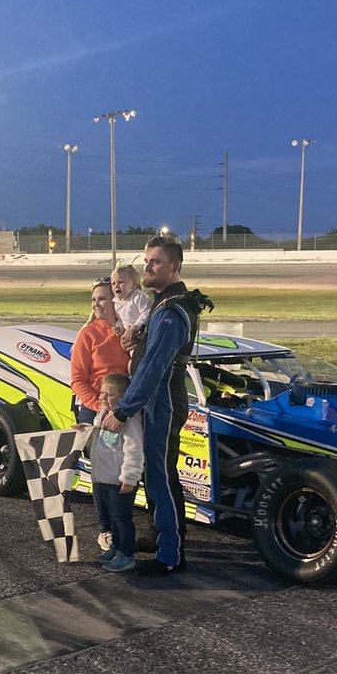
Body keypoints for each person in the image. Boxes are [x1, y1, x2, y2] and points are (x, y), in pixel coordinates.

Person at [102, 236, 211, 577]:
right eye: (147, 261)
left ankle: (170, 554)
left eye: (156, 262)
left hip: (161, 401)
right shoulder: (163, 304)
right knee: (154, 474)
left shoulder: (172, 309)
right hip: (156, 399)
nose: (148, 267)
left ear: (175, 266)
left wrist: (123, 409)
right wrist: (135, 339)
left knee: (161, 476)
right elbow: (150, 354)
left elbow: (155, 368)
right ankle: (160, 535)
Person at [87, 372, 144, 573]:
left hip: (118, 482)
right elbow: (97, 437)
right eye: (102, 393)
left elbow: (134, 451)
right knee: (110, 519)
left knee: (122, 519)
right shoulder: (102, 414)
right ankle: (115, 547)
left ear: (123, 398)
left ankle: (126, 554)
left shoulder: (130, 420)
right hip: (101, 478)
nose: (103, 398)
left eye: (109, 395)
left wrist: (129, 478)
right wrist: (83, 431)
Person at [70, 278, 129, 424]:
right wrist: (100, 408)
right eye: (93, 300)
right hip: (95, 410)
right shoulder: (87, 334)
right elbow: (78, 381)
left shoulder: (131, 331)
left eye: (102, 299)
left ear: (116, 301)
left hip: (126, 410)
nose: (96, 304)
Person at [110, 264, 151, 351]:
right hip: (130, 339)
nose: (116, 286)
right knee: (131, 362)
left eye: (120, 282)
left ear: (133, 285)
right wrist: (119, 326)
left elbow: (146, 313)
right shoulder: (116, 303)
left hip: (144, 336)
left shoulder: (139, 297)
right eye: (113, 283)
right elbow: (121, 319)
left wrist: (135, 327)